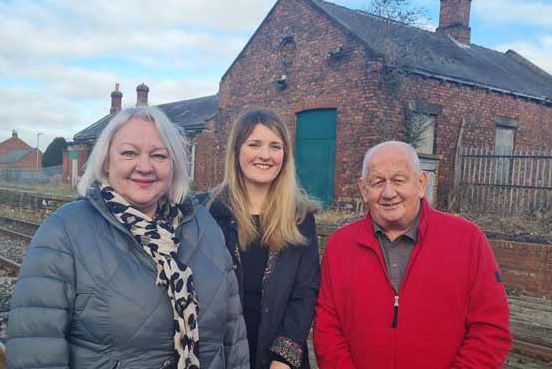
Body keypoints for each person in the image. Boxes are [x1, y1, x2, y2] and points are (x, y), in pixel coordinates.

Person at [7, 106, 249, 369]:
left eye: (158, 155)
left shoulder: (204, 225)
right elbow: (36, 352)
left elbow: (233, 334)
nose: (144, 166)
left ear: (174, 164)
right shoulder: (64, 231)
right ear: (106, 161)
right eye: (129, 153)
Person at [313, 141, 512, 369]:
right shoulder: (340, 246)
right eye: (378, 182)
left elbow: (490, 329)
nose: (389, 192)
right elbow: (327, 328)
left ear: (421, 183)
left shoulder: (467, 240)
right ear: (363, 190)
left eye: (399, 180)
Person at [198, 108, 320, 369]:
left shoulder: (300, 218)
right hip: (220, 356)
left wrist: (283, 357)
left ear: (284, 155)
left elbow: (305, 292)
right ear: (237, 151)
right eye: (255, 144)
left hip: (278, 360)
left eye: (275, 146)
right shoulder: (207, 212)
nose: (265, 155)